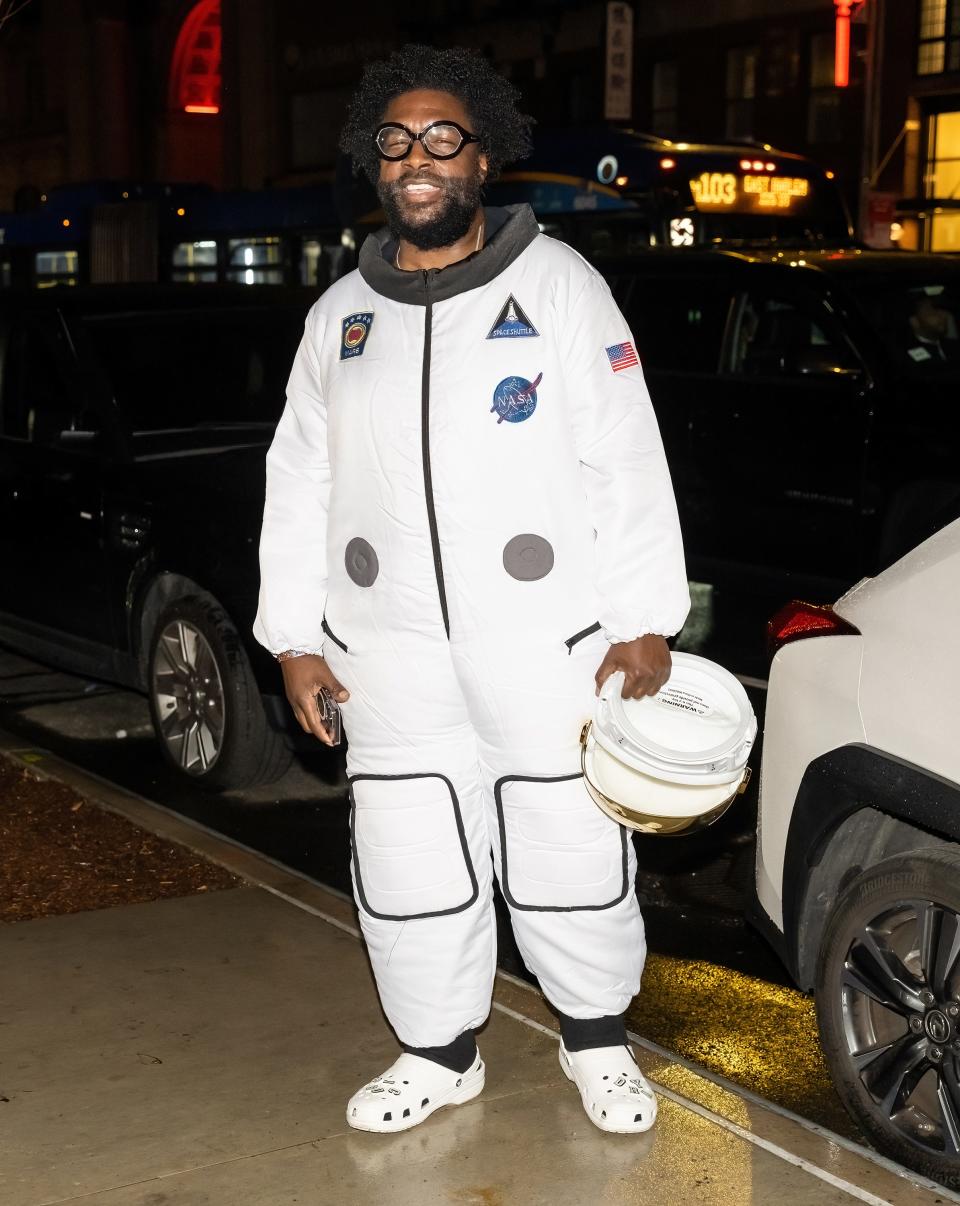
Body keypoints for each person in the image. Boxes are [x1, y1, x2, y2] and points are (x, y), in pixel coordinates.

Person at [254, 44, 690, 1137]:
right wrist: (294, 638)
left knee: (566, 843)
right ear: (374, 160)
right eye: (396, 140)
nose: (418, 158)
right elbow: (296, 481)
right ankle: (439, 1053)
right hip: (384, 653)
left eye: (442, 137)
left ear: (482, 156)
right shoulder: (339, 316)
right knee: (408, 854)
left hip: (546, 642)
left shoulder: (560, 288)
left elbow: (627, 459)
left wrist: (644, 620)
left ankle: (595, 1041)